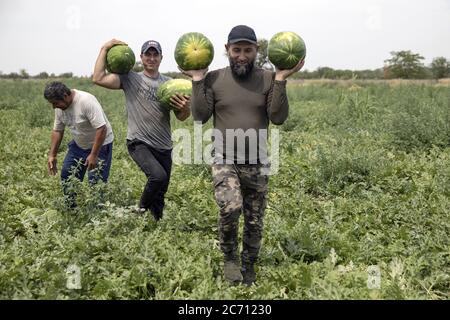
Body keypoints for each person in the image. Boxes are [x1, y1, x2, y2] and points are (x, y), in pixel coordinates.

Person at [183, 25, 304, 285]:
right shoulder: (213, 78)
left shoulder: (269, 78)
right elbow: (200, 116)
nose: (241, 56)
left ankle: (249, 266)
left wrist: (282, 78)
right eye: (236, 50)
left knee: (254, 219)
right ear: (227, 50)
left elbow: (278, 118)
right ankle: (229, 259)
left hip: (257, 162)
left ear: (256, 51)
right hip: (224, 158)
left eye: (247, 50)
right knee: (231, 206)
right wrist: (196, 80)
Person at [93, 39, 190, 220]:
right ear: (141, 57)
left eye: (155, 54)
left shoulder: (171, 84)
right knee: (158, 177)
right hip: (139, 142)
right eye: (148, 54)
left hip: (164, 145)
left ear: (161, 58)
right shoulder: (130, 78)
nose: (151, 58)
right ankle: (140, 213)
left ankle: (155, 227)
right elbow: (98, 78)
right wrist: (104, 48)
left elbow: (182, 117)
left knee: (161, 192)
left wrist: (185, 108)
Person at [44, 81, 114, 208]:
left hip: (100, 146)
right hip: (78, 145)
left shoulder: (86, 101)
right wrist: (52, 155)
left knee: (96, 182)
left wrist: (93, 154)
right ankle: (72, 209)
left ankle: (98, 215)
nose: (54, 107)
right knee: (67, 175)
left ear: (65, 95)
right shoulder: (60, 108)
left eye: (55, 103)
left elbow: (101, 129)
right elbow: (57, 130)